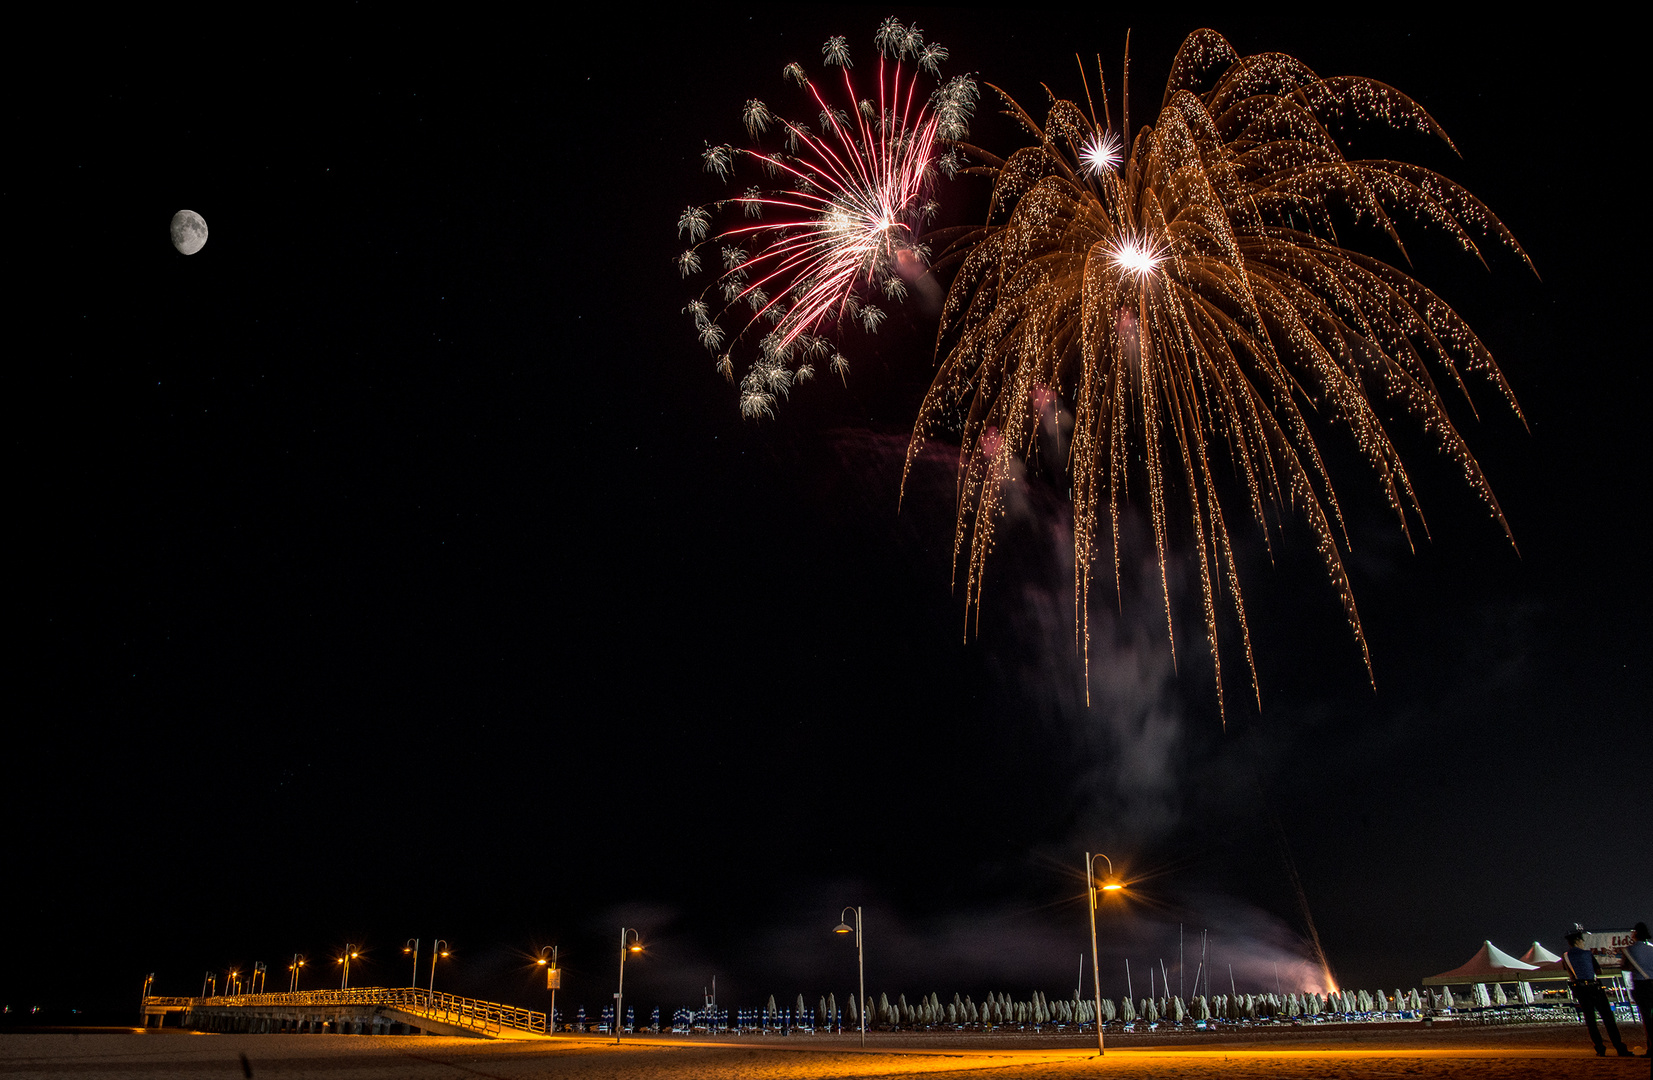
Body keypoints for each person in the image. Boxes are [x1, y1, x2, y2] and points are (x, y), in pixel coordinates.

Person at [1563, 925, 1631, 1057]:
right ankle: (1619, 1047)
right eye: (1582, 941)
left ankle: (1600, 1048)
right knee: (1608, 1018)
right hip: (1594, 987)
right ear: (1577, 941)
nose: (1583, 943)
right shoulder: (1587, 954)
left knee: (1591, 1021)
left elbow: (1570, 973)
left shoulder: (1566, 956)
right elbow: (1598, 970)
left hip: (1580, 990)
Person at [1619, 922, 1652, 1058]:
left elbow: (1624, 967)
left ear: (1636, 933)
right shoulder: (1651, 949)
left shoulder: (1629, 950)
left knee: (1647, 1019)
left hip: (1641, 985)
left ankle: (1650, 1047)